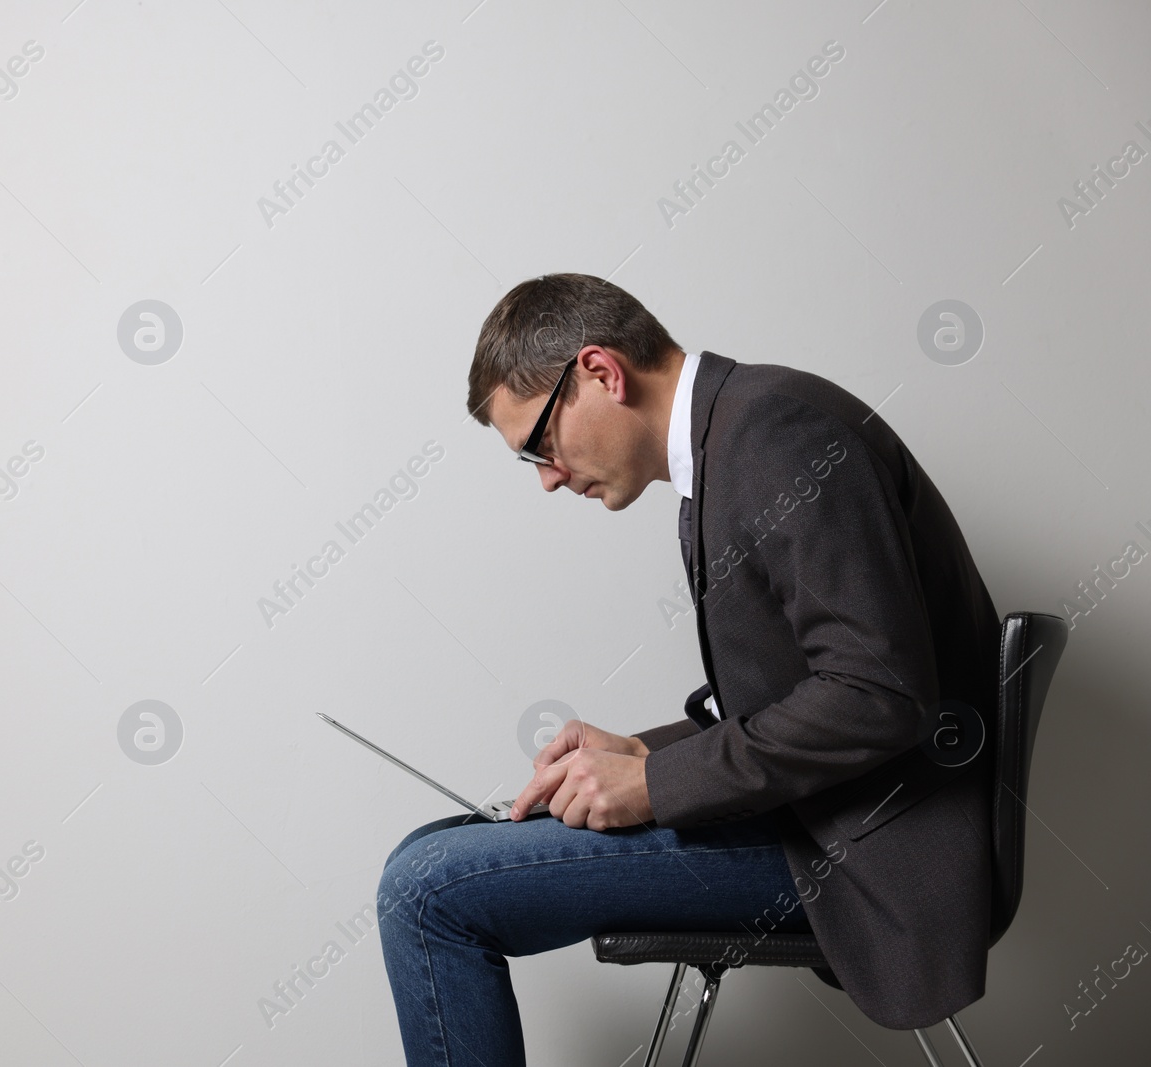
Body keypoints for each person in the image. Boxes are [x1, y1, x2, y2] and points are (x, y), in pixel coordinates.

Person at [376, 273, 1001, 1066]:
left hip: (863, 845)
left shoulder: (777, 434)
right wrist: (646, 755)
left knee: (425, 890)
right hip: (815, 816)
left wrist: (659, 786)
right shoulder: (732, 444)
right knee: (425, 852)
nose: (547, 476)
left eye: (539, 444)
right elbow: (798, 688)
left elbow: (879, 694)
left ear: (600, 374)